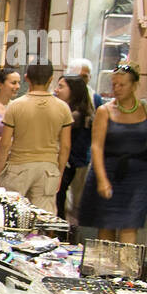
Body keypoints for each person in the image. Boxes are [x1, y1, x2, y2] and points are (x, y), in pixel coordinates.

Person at [78, 65, 147, 243]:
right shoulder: (105, 111)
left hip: (138, 173)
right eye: (114, 84)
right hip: (109, 170)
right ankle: (104, 267)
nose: (116, 89)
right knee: (107, 224)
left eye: (122, 85)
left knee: (130, 223)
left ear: (134, 85)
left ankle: (126, 269)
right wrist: (101, 179)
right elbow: (97, 147)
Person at [0, 61, 72, 213]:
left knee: (12, 216)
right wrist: (60, 172)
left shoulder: (15, 106)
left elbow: (5, 144)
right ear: (51, 79)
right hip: (48, 169)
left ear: (26, 78)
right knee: (42, 221)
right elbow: (65, 146)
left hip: (18, 167)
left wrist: (1, 171)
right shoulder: (63, 107)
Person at [55, 73, 94, 222]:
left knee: (62, 202)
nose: (57, 90)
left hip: (70, 165)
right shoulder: (78, 112)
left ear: (73, 90)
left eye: (61, 86)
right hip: (72, 164)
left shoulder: (76, 115)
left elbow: (65, 143)